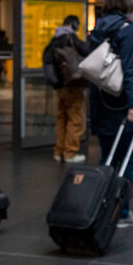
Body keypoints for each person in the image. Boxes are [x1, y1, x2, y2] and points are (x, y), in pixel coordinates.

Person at [88, 0, 133, 228]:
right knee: (126, 159)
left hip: (99, 101)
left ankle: (100, 207)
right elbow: (129, 71)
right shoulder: (127, 30)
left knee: (106, 158)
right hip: (120, 102)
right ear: (128, 3)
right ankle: (121, 212)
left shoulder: (97, 29)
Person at [42, 16, 90, 163]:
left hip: (60, 87)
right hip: (72, 85)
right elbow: (88, 51)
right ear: (74, 25)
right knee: (76, 119)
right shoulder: (71, 39)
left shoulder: (54, 40)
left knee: (62, 118)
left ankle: (59, 151)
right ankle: (70, 153)